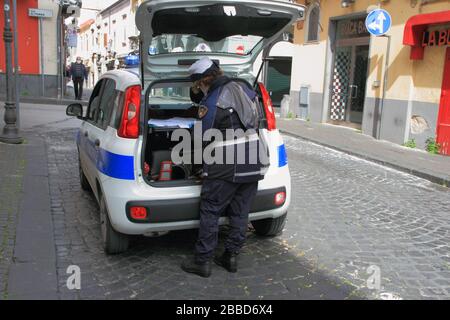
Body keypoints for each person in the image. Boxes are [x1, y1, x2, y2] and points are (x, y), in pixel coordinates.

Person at [181, 57, 268, 278]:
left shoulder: (211, 102)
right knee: (241, 211)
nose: (198, 89)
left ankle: (203, 261)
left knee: (210, 209)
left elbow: (202, 138)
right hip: (254, 158)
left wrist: (197, 166)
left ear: (202, 81)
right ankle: (231, 257)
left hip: (226, 163)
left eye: (197, 85)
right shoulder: (243, 89)